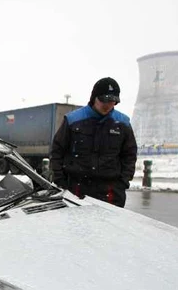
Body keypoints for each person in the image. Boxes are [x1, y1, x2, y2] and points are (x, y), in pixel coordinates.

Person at [50, 77, 137, 207]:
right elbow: (57, 151)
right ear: (94, 98)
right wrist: (61, 182)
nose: (107, 105)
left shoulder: (123, 123)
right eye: (104, 100)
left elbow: (129, 155)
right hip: (76, 191)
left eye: (112, 101)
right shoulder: (73, 120)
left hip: (111, 193)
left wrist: (123, 182)